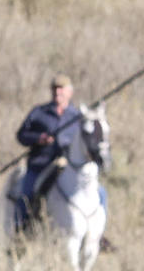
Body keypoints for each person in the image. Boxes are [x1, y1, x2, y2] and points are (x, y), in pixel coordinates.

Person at [13, 73, 108, 231]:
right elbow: (21, 135)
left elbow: (86, 141)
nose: (58, 93)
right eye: (55, 89)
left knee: (102, 193)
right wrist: (39, 138)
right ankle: (21, 232)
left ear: (70, 92)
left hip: (68, 167)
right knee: (26, 195)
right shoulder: (39, 112)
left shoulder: (77, 116)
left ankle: (99, 234)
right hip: (41, 164)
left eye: (62, 89)